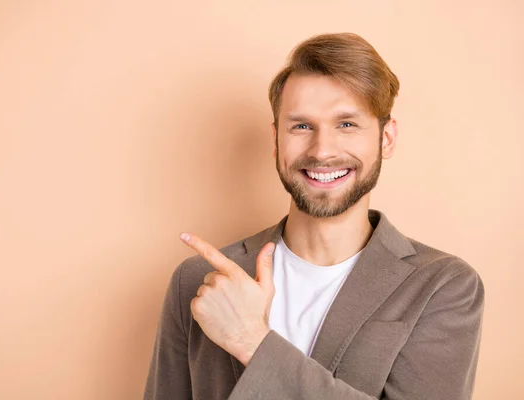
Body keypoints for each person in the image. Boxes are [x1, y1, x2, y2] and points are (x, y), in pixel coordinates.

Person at [143, 33, 484, 400]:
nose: (322, 151)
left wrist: (251, 341)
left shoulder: (443, 286)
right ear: (276, 140)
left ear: (386, 138)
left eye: (347, 125)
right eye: (301, 126)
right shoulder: (198, 281)